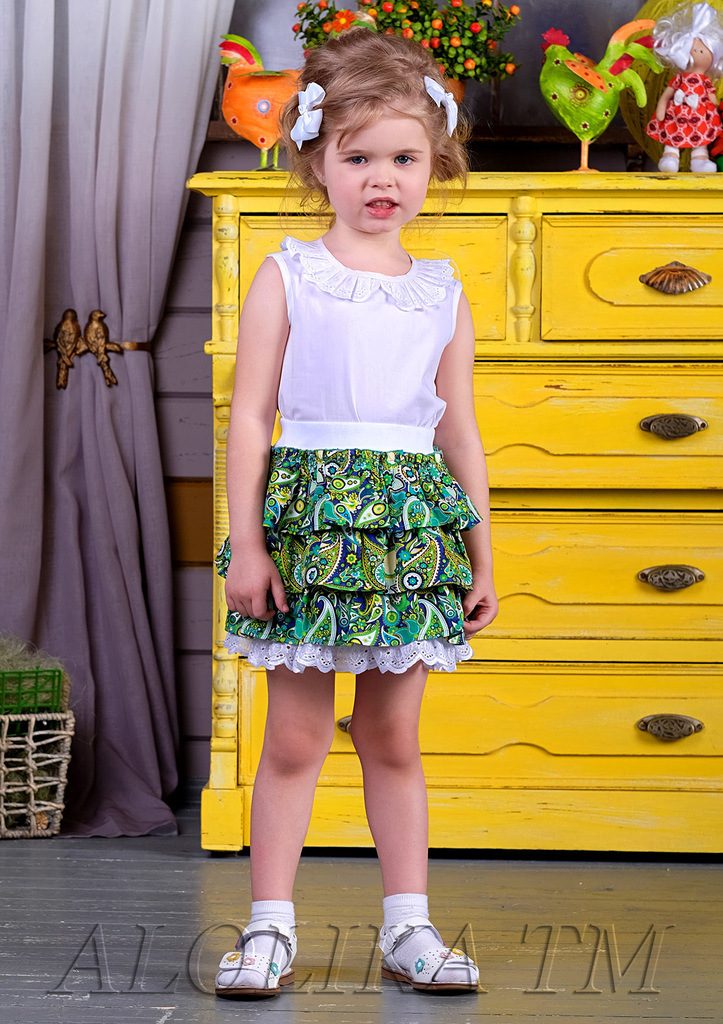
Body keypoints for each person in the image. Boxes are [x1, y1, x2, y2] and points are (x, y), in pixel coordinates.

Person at [213, 26, 498, 999]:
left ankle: (409, 928)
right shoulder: (290, 275)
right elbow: (250, 417)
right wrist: (246, 547)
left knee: (393, 738)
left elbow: (458, 432)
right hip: (308, 533)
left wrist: (480, 556)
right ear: (316, 161)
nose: (384, 179)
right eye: (359, 156)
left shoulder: (441, 294)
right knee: (294, 740)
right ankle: (268, 928)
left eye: (405, 159)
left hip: (410, 537)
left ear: (436, 162)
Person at [646, 1, 723, 172]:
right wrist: (661, 109)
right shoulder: (679, 78)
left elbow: (712, 98)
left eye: (702, 51)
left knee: (701, 138)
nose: (696, 52)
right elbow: (667, 95)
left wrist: (715, 113)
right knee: (672, 133)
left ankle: (700, 160)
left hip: (700, 115)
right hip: (677, 113)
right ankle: (670, 157)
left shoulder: (706, 81)